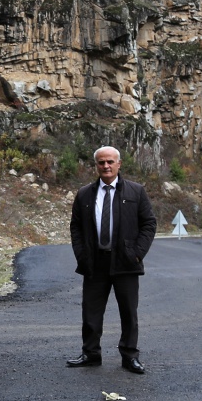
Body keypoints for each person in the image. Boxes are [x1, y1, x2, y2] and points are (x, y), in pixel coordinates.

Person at [67, 145, 156, 374]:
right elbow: (75, 227)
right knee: (91, 312)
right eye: (101, 162)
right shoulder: (85, 193)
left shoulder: (136, 192)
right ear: (96, 165)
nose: (105, 166)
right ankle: (91, 353)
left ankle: (130, 356)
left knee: (128, 312)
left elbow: (149, 224)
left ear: (119, 164)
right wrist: (82, 254)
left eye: (110, 162)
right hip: (94, 263)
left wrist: (136, 253)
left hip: (126, 263)